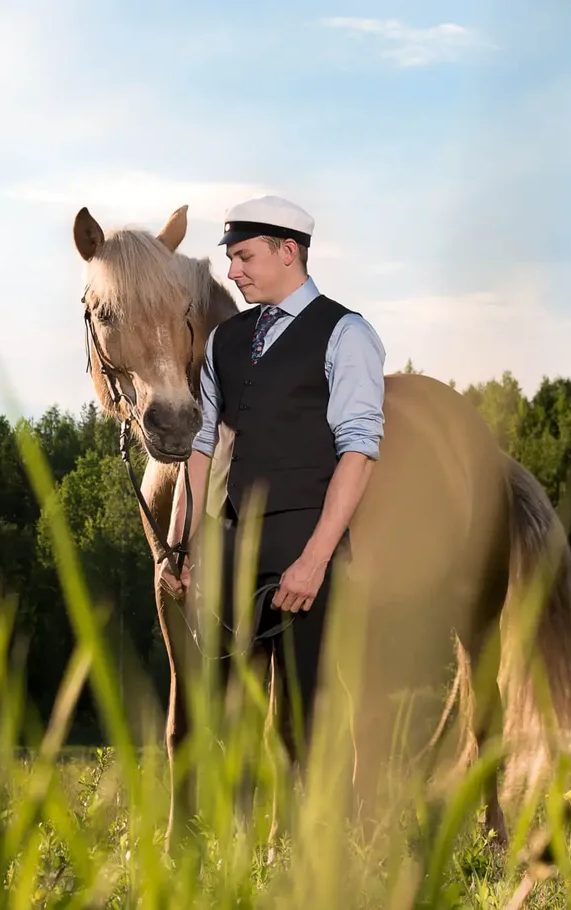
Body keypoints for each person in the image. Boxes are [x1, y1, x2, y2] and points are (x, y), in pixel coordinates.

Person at [157, 194, 386, 758]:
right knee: (219, 721)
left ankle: (319, 846)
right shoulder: (225, 341)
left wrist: (315, 560)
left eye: (244, 257)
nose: (232, 272)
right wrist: (183, 546)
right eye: (231, 258)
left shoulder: (346, 332)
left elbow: (358, 452)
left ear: (289, 252)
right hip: (234, 549)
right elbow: (204, 447)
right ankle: (229, 847)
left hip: (310, 548)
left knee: (309, 728)